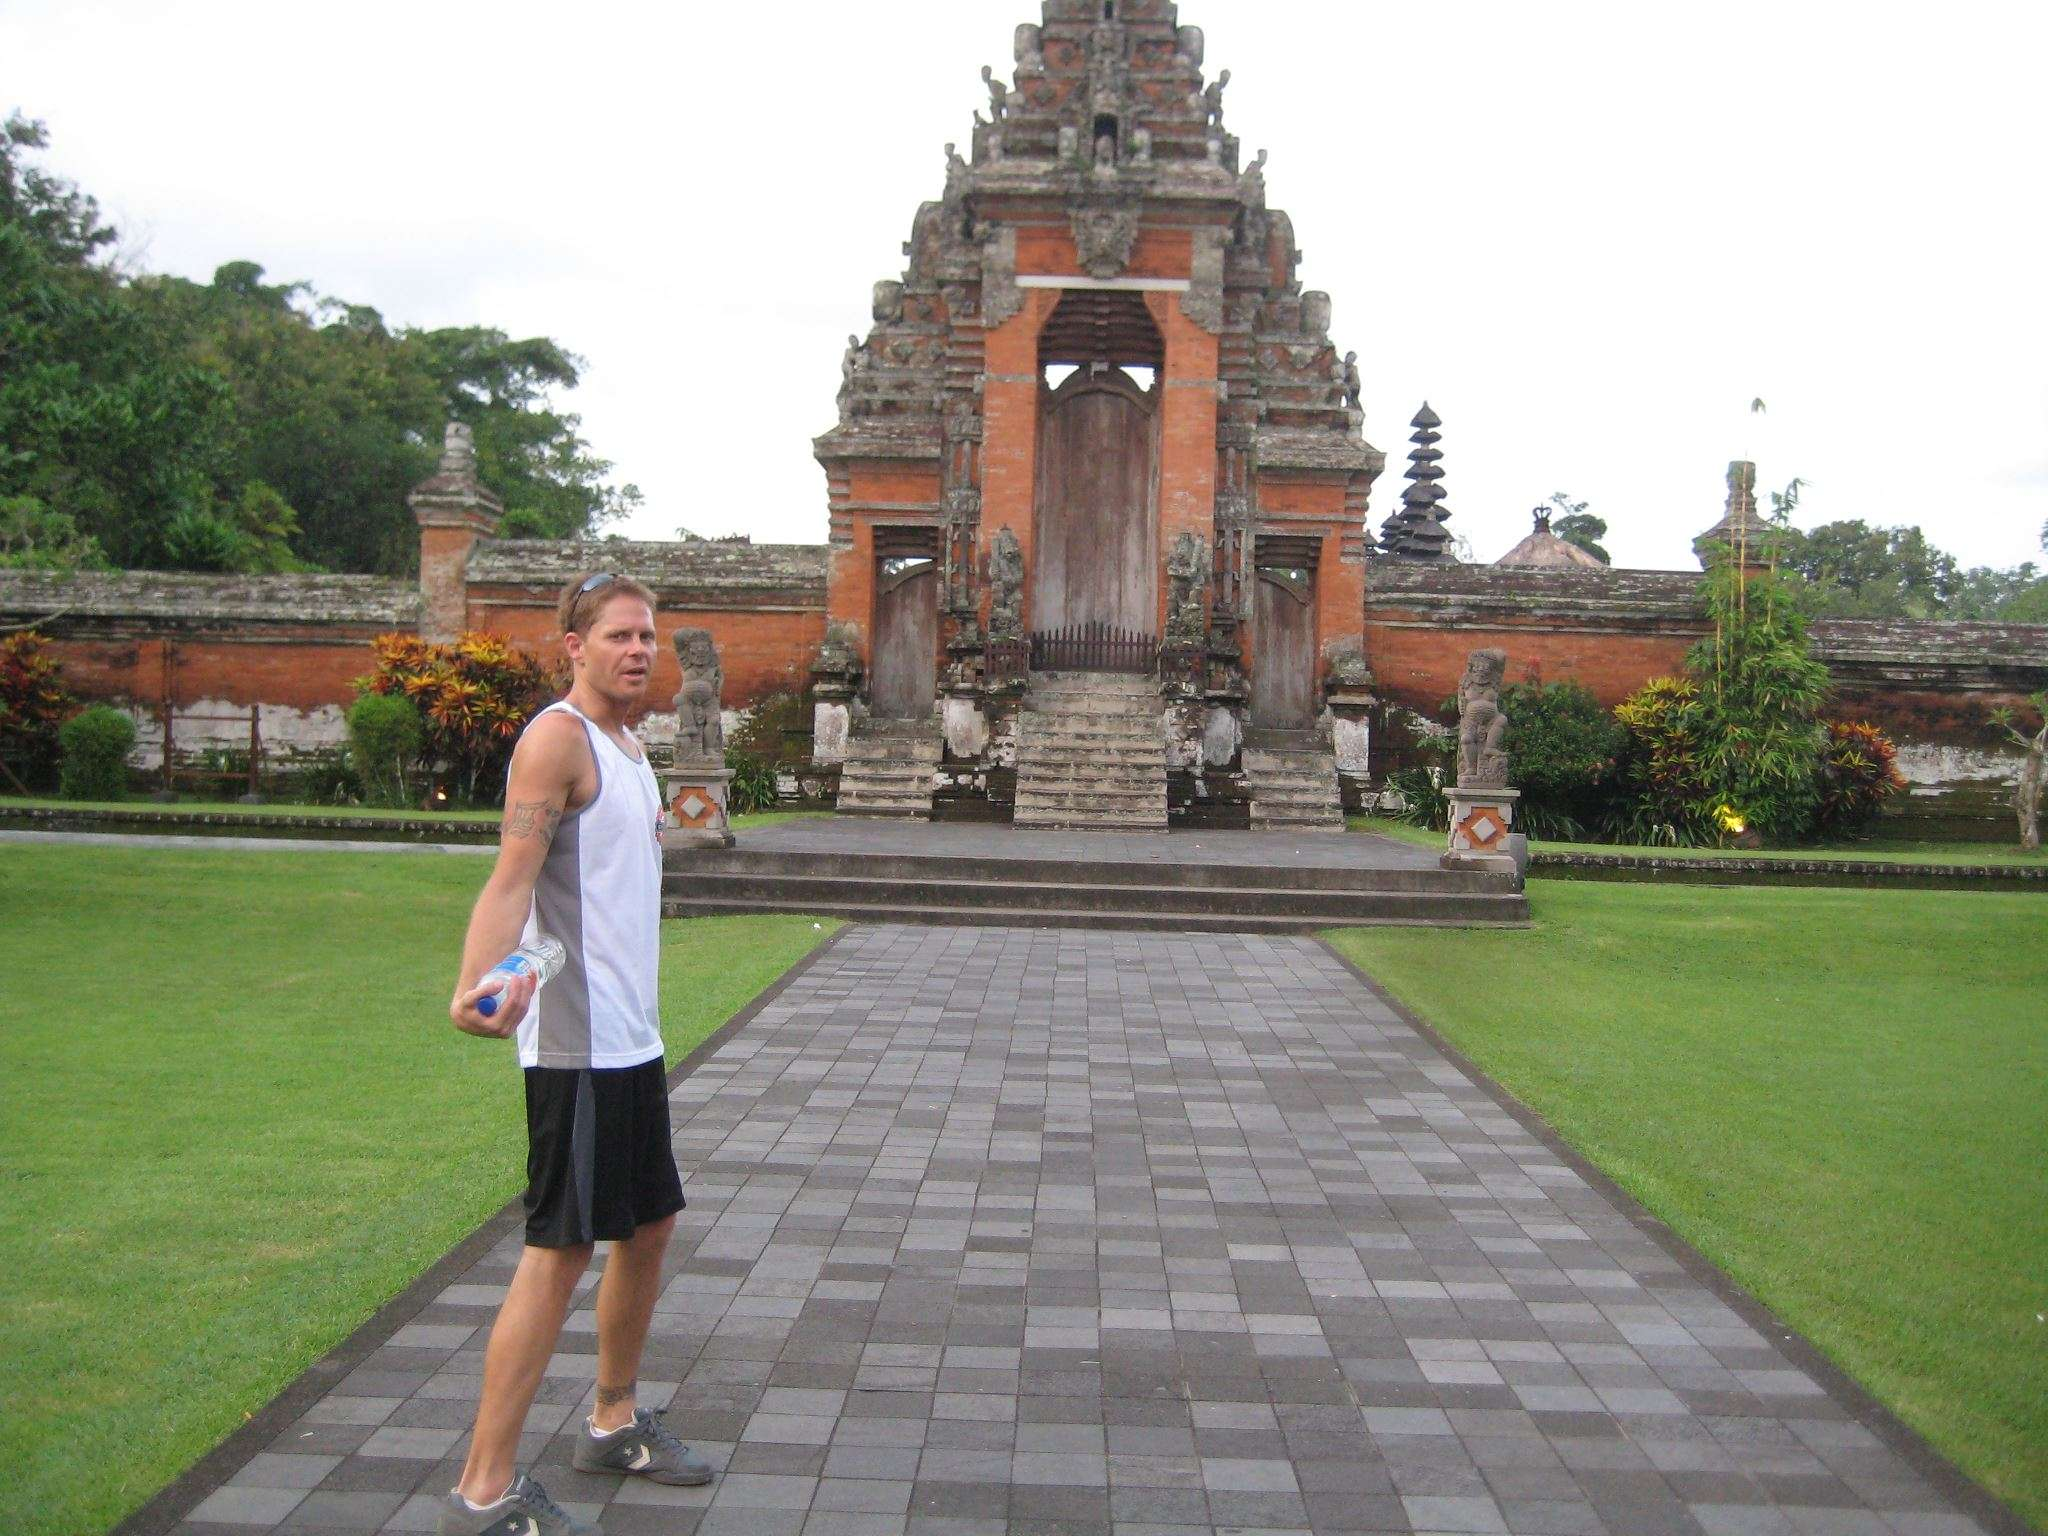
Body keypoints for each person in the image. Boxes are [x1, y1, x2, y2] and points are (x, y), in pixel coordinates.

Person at [439, 572, 711, 1536]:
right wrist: (482, 980)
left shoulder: (631, 746)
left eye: (648, 637)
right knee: (557, 1254)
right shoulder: (558, 738)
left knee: (649, 1229)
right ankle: (483, 1491)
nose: (639, 650)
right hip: (577, 1049)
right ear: (574, 646)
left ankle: (613, 1419)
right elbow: (514, 875)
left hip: (632, 1039)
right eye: (619, 636)